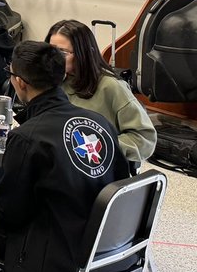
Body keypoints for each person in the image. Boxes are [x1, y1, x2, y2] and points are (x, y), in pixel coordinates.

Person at [0, 41, 130, 272]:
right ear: (61, 76)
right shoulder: (99, 122)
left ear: (19, 83)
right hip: (108, 244)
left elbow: (9, 213)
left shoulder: (29, 136)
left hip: (59, 253)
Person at [47, 19, 156, 165]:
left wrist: (96, 146)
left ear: (82, 53)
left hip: (95, 167)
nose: (53, 59)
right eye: (50, 51)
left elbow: (144, 138)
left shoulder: (111, 87)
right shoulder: (53, 81)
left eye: (62, 52)